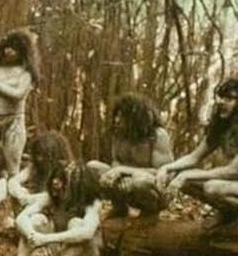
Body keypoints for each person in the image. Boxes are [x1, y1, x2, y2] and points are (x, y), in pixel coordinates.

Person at [3, 163, 103, 256]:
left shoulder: (92, 203)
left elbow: (87, 233)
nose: (57, 185)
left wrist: (46, 239)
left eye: (65, 182)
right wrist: (32, 235)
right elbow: (21, 218)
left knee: (76, 224)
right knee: (35, 219)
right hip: (60, 252)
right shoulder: (52, 197)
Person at [156, 78, 238, 226]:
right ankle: (229, 213)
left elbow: (233, 171)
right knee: (179, 176)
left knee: (212, 187)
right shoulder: (222, 126)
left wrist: (187, 175)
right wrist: (167, 168)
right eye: (221, 97)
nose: (221, 102)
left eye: (229, 99)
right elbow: (194, 157)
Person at [87, 93, 173, 217]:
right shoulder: (118, 133)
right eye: (117, 115)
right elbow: (116, 161)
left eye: (122, 116)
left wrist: (124, 171)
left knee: (140, 181)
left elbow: (163, 174)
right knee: (92, 167)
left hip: (152, 189)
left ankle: (149, 214)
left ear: (135, 117)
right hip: (125, 183)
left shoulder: (157, 135)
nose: (117, 120)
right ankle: (119, 208)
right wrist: (118, 176)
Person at [0, 29, 37, 175]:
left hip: (14, 122)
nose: (9, 51)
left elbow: (18, 94)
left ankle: (11, 189)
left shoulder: (25, 73)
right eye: (7, 47)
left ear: (22, 51)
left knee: (12, 165)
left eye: (13, 48)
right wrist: (9, 86)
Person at [8, 131, 73, 207]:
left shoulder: (66, 171)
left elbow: (52, 197)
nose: (39, 158)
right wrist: (20, 193)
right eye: (37, 154)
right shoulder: (35, 167)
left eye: (43, 155)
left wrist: (30, 198)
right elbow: (12, 182)